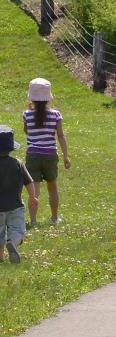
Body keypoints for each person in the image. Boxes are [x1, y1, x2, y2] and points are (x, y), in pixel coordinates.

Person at [22, 78, 70, 227]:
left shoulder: (27, 114)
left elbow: (27, 132)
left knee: (34, 192)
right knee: (52, 187)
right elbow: (60, 136)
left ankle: (34, 221)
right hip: (50, 155)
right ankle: (55, 218)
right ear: (48, 97)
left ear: (32, 97)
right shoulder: (56, 114)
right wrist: (66, 156)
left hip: (33, 155)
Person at [0, 126, 38, 264]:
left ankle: (0, 258)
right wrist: (33, 197)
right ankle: (13, 243)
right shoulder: (18, 163)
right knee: (17, 230)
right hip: (15, 206)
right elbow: (29, 182)